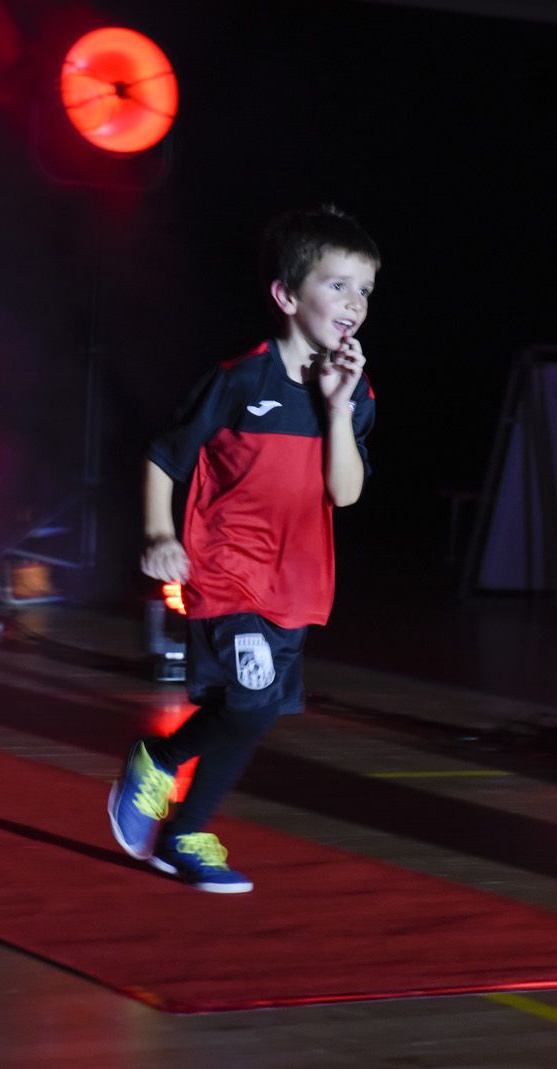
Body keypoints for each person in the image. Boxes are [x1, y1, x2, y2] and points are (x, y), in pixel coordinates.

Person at [107, 205, 379, 893]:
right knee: (253, 700)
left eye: (366, 290)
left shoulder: (354, 390)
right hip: (227, 569)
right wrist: (160, 533)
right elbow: (166, 457)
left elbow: (345, 493)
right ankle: (190, 829)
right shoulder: (240, 379)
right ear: (287, 296)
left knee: (252, 711)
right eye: (338, 284)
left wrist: (341, 408)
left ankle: (163, 776)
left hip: (298, 582)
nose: (355, 303)